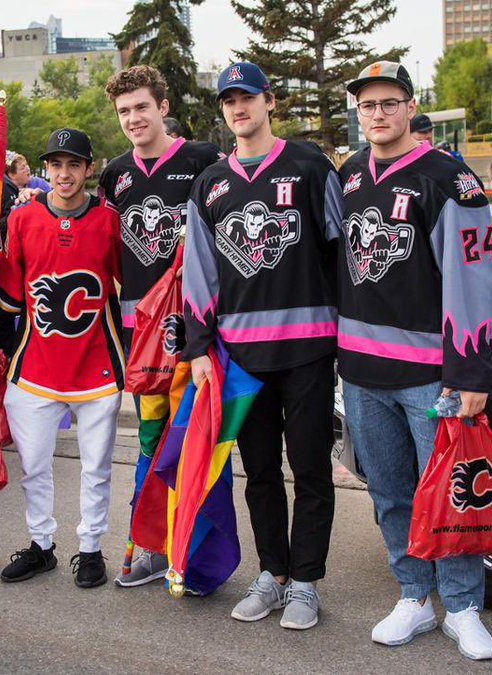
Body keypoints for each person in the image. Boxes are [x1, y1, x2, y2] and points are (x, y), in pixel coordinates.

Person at [339, 61, 492, 660]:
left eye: (388, 103)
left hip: (430, 375)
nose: (377, 114)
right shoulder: (351, 173)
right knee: (390, 492)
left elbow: (476, 280)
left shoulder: (449, 178)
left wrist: (470, 371)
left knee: (450, 495)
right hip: (360, 373)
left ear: (410, 106)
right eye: (367, 105)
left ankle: (462, 607)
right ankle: (414, 595)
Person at [183, 62, 340, 630]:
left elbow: (342, 248)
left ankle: (306, 582)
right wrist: (199, 347)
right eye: (228, 100)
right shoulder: (211, 184)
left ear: (269, 101)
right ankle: (273, 574)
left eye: (246, 97)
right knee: (261, 473)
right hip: (242, 358)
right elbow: (197, 274)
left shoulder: (308, 165)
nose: (237, 108)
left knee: (311, 469)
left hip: (308, 348)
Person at [97, 64, 222, 588]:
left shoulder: (202, 159)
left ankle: (193, 547)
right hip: (140, 332)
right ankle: (149, 544)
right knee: (150, 437)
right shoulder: (114, 175)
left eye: (141, 107)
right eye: (124, 111)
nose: (133, 119)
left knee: (198, 439)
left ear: (163, 108)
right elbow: (105, 251)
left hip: (197, 327)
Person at [0, 128, 123, 589]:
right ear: (45, 169)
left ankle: (90, 548)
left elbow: (126, 291)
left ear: (89, 169)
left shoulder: (111, 220)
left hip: (96, 365)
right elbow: (10, 296)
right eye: (55, 165)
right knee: (33, 465)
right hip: (35, 366)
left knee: (97, 467)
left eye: (73, 165)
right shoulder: (23, 218)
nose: (64, 174)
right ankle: (41, 545)